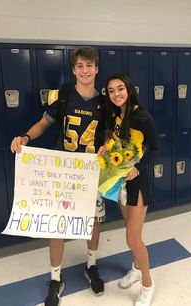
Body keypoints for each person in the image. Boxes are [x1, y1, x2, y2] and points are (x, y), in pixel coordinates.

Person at [10, 46, 106, 306]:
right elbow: (44, 123)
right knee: (57, 225)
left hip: (90, 173)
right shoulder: (63, 96)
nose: (85, 71)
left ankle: (92, 265)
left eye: (89, 65)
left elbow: (109, 137)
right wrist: (26, 138)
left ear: (96, 68)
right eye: (80, 66)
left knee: (93, 221)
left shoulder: (104, 102)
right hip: (63, 171)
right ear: (73, 70)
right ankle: (55, 278)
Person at [103, 73, 159, 306]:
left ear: (128, 89)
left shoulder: (141, 116)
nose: (116, 94)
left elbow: (155, 148)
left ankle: (147, 283)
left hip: (137, 183)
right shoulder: (117, 114)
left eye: (120, 89)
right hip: (120, 181)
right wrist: (105, 148)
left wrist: (137, 167)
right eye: (111, 90)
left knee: (132, 238)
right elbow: (115, 141)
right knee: (130, 229)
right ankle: (136, 268)